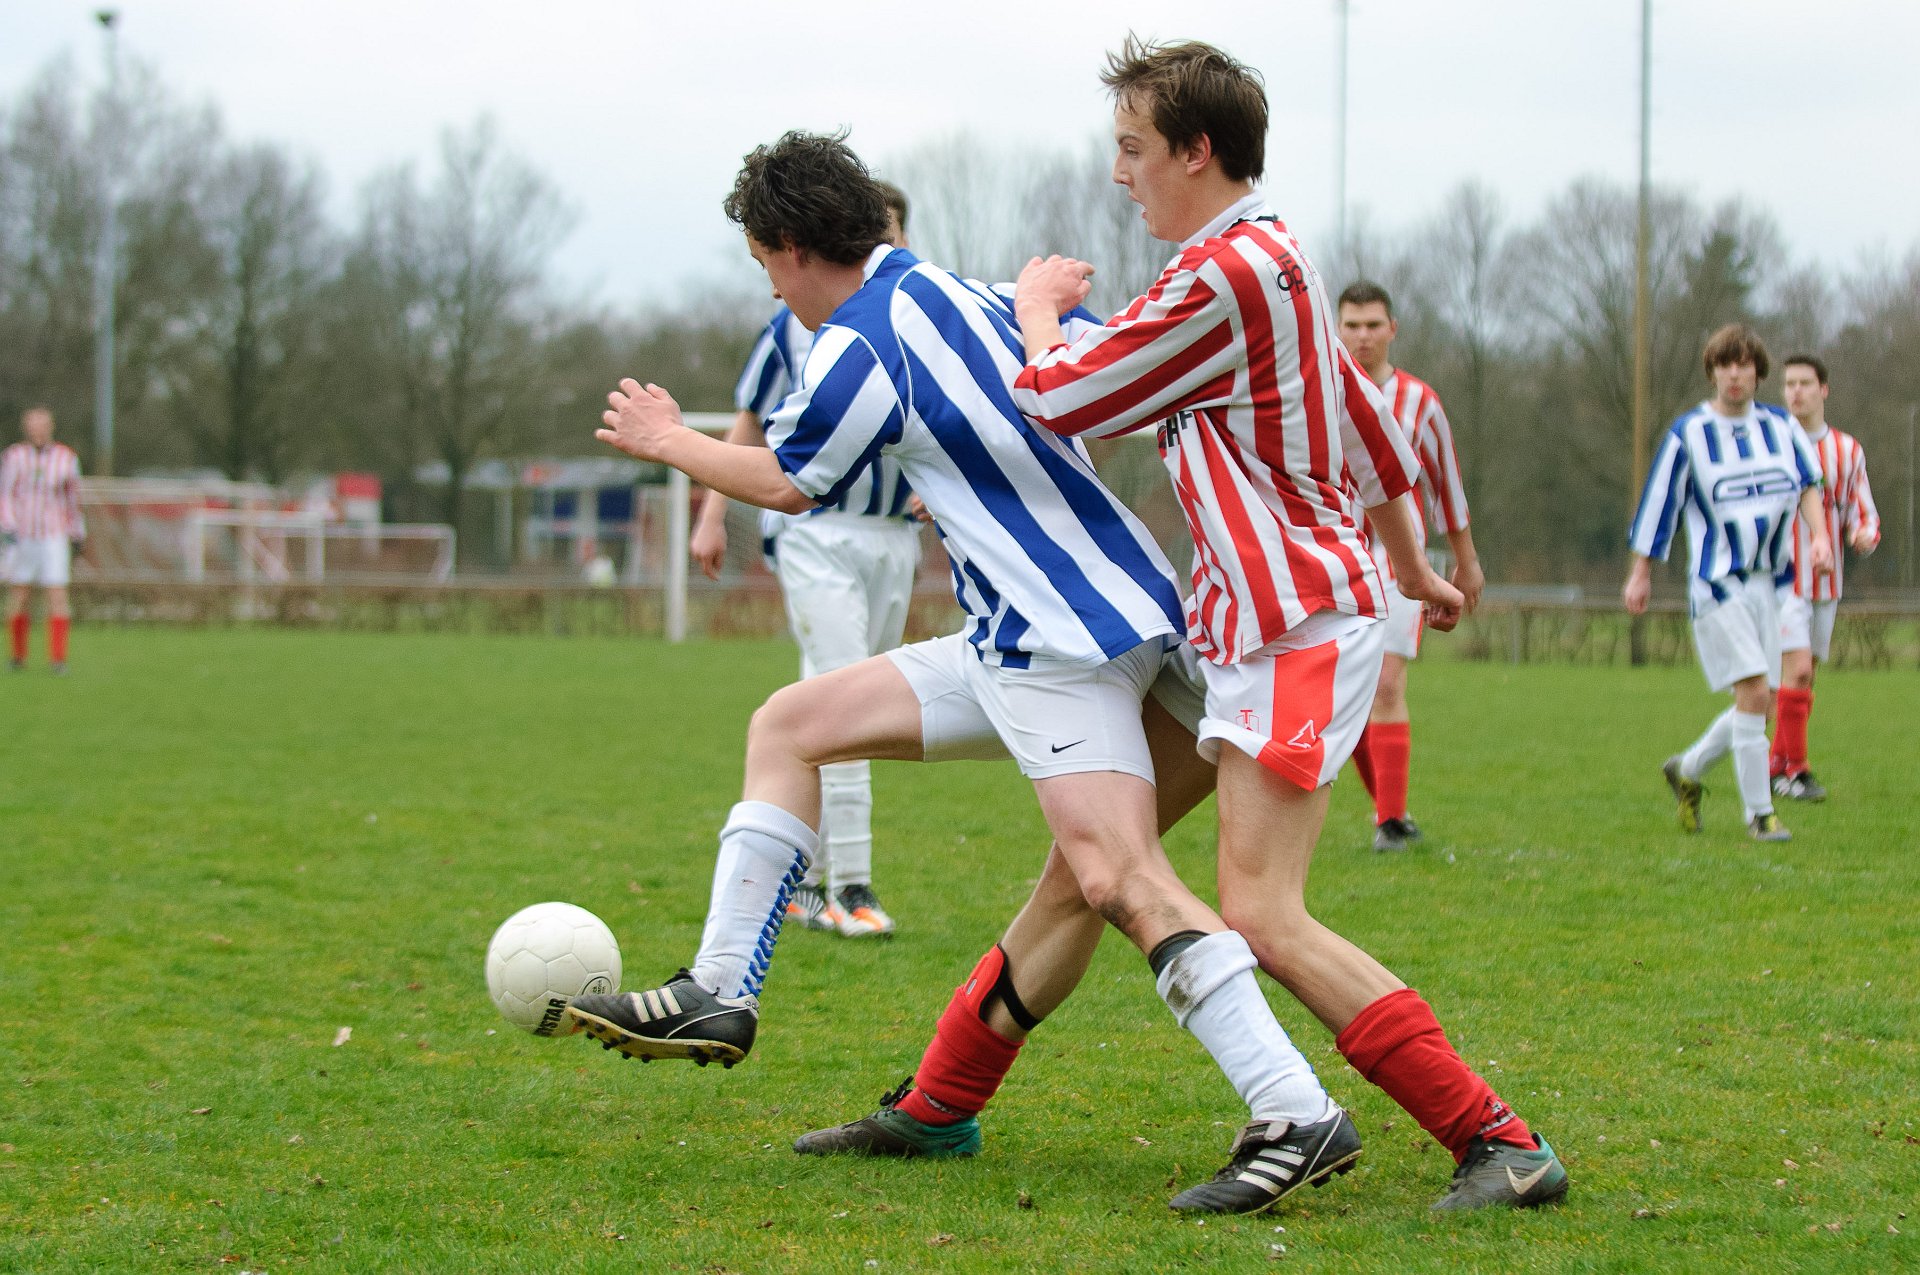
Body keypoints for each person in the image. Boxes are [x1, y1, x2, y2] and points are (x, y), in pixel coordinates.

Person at [800, 37, 1564, 1215]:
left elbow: (1059, 399)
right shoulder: (1273, 256)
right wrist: (1415, 570)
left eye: (1133, 149)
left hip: (1292, 629)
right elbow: (1373, 433)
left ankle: (1495, 1138)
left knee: (1258, 911)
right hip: (1252, 628)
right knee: (1090, 871)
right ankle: (938, 1106)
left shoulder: (1221, 280)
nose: (1120, 175)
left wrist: (1037, 309)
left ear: (1196, 152)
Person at [565, 131, 1360, 1208]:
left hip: (1055, 646)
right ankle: (719, 989)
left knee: (1118, 878)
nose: (772, 289)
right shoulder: (975, 296)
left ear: (791, 248)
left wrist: (668, 438)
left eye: (763, 265)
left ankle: (1295, 1108)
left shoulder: (857, 339)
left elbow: (792, 481)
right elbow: (1100, 385)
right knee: (790, 726)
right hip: (1103, 615)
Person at [689, 182, 920, 939]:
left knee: (836, 705)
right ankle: (850, 886)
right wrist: (713, 514)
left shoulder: (917, 315)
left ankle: (799, 882)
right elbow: (750, 423)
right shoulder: (790, 325)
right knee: (847, 703)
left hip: (893, 536)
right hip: (818, 531)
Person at [1625, 324, 1831, 841]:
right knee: (1755, 691)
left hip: (1772, 585)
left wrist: (1821, 538)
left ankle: (1687, 769)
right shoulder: (1689, 434)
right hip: (1717, 585)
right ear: (1712, 372)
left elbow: (1808, 484)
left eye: (1744, 365)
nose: (1734, 375)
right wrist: (1641, 573)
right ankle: (1760, 816)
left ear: (1758, 373)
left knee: (1760, 701)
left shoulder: (1781, 427)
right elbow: (1659, 505)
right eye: (1724, 365)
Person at [1336, 282, 1485, 850]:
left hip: (1400, 561)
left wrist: (1467, 563)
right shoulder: (1315, 392)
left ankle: (1390, 823)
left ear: (1392, 329)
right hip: (1333, 556)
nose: (1363, 336)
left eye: (1373, 325)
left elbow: (1448, 487)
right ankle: (1389, 807)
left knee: (1387, 683)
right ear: (1337, 329)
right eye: (1352, 325)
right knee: (1343, 697)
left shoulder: (1421, 402)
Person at [1769, 353, 1879, 800]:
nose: (1795, 392)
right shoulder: (1771, 446)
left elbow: (1862, 512)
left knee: (1805, 677)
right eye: (1789, 384)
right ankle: (1798, 771)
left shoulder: (1847, 450)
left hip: (1825, 582)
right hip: (1780, 580)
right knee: (1796, 670)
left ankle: (1775, 766)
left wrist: (1862, 535)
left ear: (1823, 390)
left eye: (1805, 383)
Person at [2, 406, 86, 674]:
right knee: (19, 594)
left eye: (41, 425)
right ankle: (18, 657)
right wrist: (7, 526)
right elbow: (5, 494)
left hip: (54, 536)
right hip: (22, 535)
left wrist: (77, 532)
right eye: (32, 426)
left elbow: (73, 498)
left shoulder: (66, 458)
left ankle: (58, 660)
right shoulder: (14, 456)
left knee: (57, 594)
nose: (37, 431)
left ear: (50, 427)